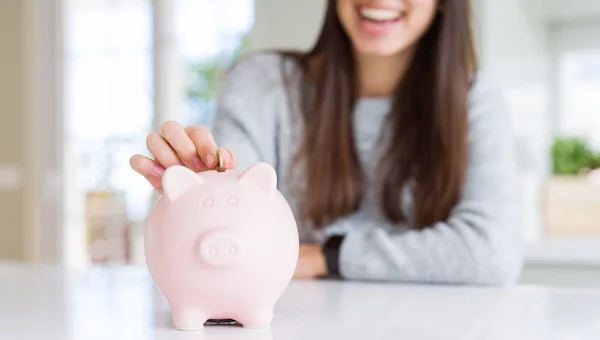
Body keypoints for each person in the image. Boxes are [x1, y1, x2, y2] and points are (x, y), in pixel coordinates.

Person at [130, 0, 523, 284]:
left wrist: (326, 257)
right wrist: (206, 192)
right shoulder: (262, 85)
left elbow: (492, 252)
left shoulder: (474, 98)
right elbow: (236, 236)